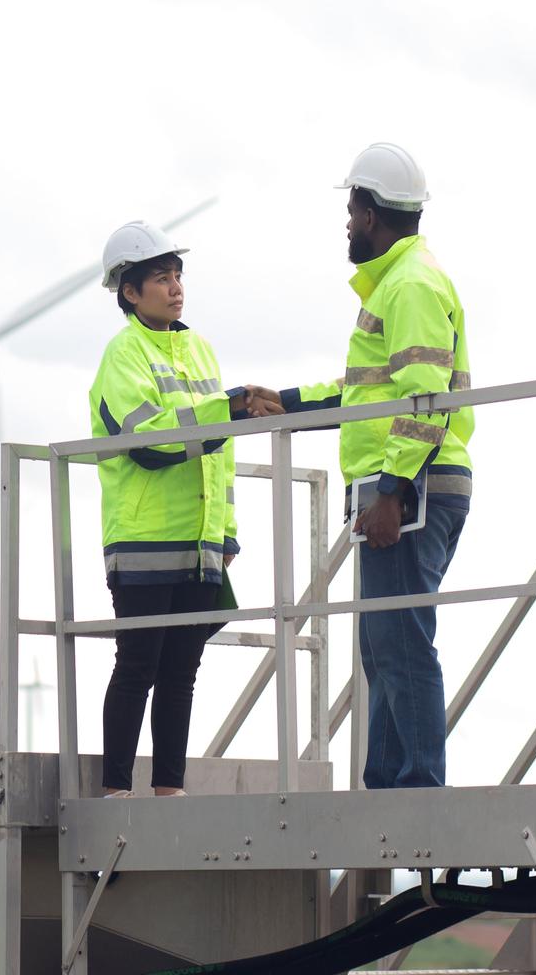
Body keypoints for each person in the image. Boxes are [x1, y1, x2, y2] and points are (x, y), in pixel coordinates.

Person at [279, 143, 473, 789]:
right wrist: (281, 403)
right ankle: (389, 782)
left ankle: (415, 789)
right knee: (382, 645)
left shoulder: (411, 284)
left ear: (368, 212)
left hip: (410, 483)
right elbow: (365, 391)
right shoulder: (400, 281)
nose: (346, 223)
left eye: (350, 208)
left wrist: (393, 489)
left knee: (401, 642)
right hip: (400, 481)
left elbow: (425, 395)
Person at [88, 221, 282, 797]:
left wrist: (226, 536)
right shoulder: (122, 354)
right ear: (130, 292)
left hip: (202, 543)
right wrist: (226, 408)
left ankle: (170, 790)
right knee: (137, 667)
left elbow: (217, 456)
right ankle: (117, 793)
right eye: (160, 278)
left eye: (177, 277)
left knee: (182, 673)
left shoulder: (199, 348)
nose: (175, 288)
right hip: (145, 540)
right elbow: (148, 440)